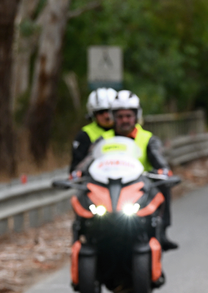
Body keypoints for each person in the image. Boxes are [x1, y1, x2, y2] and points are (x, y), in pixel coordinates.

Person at [75, 90, 178, 250]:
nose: (124, 120)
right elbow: (89, 159)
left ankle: (161, 232)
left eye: (128, 116)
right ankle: (83, 237)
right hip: (107, 188)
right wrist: (78, 172)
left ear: (136, 116)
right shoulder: (103, 139)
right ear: (114, 117)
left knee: (162, 188)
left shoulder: (148, 139)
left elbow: (159, 161)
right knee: (83, 196)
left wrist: (163, 171)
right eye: (120, 116)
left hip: (138, 190)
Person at [70, 88, 117, 172]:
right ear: (93, 114)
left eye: (110, 111)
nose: (106, 116)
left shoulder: (129, 131)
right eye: (101, 112)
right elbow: (76, 168)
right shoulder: (85, 134)